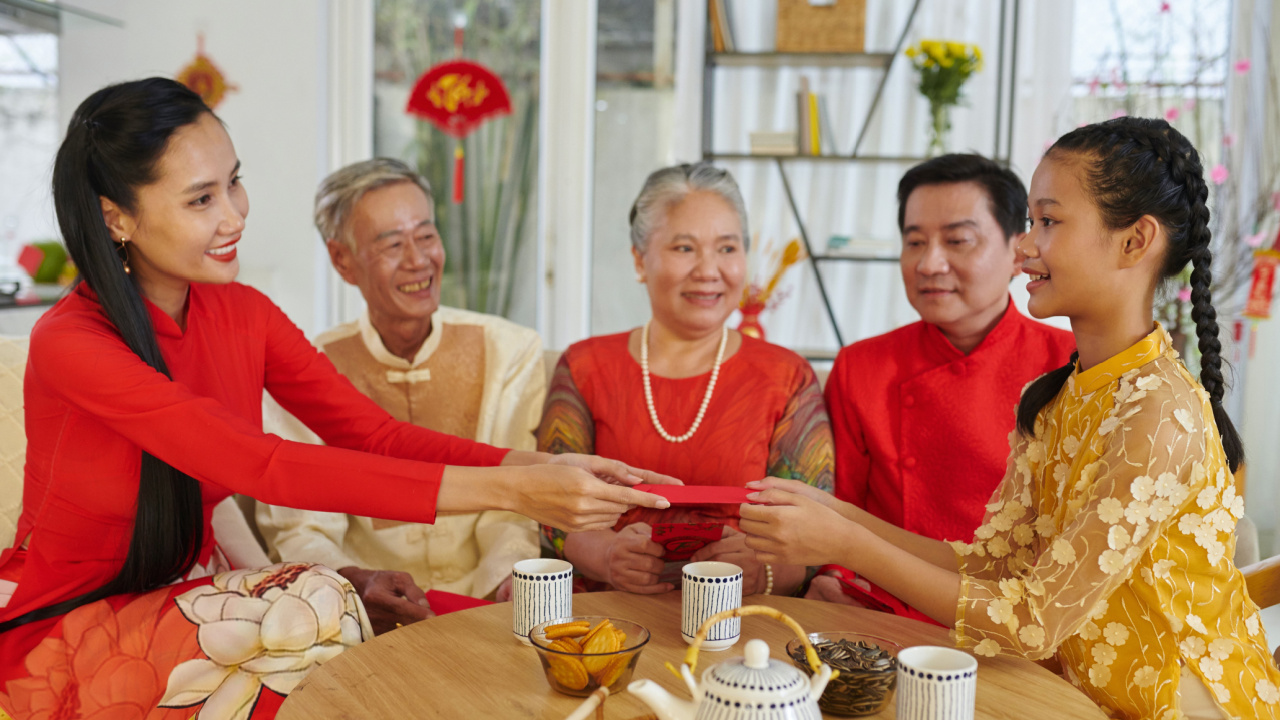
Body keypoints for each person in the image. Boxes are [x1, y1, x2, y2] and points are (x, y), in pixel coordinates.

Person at [0, 78, 673, 720]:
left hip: (192, 601)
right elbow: (259, 464)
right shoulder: (72, 343)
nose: (235, 214)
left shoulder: (243, 314)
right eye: (201, 199)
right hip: (69, 626)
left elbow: (370, 435)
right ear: (116, 216)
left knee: (419, 623)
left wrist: (530, 469)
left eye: (235, 182)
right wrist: (513, 494)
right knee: (326, 606)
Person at [739, 117, 1280, 719]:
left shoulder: (1157, 412)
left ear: (1135, 241)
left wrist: (849, 543)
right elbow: (993, 562)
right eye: (1029, 222)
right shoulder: (1059, 392)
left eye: (1047, 222)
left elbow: (1032, 623)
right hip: (1072, 693)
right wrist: (836, 515)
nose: (1024, 247)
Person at [256, 159, 543, 633]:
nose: (417, 259)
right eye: (392, 243)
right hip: (361, 616)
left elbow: (514, 501)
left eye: (426, 236)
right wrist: (356, 585)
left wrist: (509, 575)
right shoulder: (305, 367)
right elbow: (302, 526)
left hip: (489, 604)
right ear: (342, 260)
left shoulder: (509, 349)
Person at [537, 163, 833, 597]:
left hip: (744, 622)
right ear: (640, 260)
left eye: (727, 249)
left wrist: (761, 571)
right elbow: (549, 505)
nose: (709, 270)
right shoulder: (585, 366)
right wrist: (607, 556)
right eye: (684, 248)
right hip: (609, 617)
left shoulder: (787, 376)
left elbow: (816, 528)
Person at [814, 154, 1075, 618]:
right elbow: (838, 510)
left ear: (1019, 251)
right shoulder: (862, 366)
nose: (930, 263)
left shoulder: (1071, 363)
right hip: (882, 615)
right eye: (915, 242)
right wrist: (832, 578)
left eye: (958, 240)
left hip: (1019, 624)